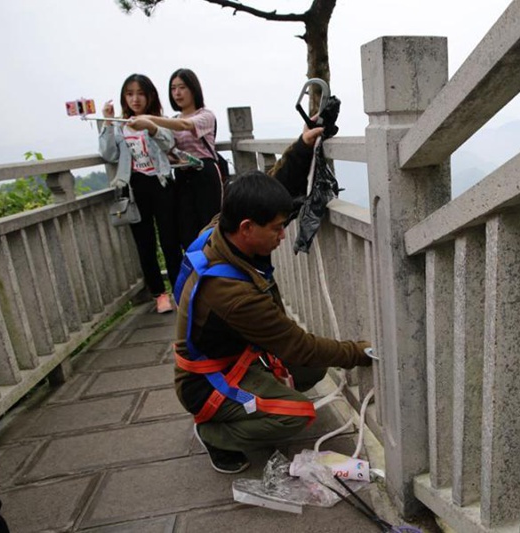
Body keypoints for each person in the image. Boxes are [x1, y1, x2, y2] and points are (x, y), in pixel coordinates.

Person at [173, 132, 373, 473]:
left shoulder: (222, 228)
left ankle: (256, 400)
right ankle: (215, 434)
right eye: (278, 229)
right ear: (248, 228)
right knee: (296, 415)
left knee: (313, 370)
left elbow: (269, 187)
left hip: (236, 356)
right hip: (207, 382)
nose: (284, 235)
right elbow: (299, 347)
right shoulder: (232, 294)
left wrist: (303, 146)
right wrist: (361, 352)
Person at [99, 74, 182, 314]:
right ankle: (159, 294)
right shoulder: (119, 125)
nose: (135, 99)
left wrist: (151, 126)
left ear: (150, 96)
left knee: (170, 240)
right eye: (130, 94)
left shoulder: (158, 121)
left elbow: (169, 144)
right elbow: (108, 154)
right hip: (134, 187)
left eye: (140, 93)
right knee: (144, 244)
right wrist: (106, 121)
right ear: (124, 97)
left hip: (162, 183)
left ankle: (179, 291)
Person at [137, 68, 223, 249]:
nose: (177, 93)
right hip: (183, 177)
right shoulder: (172, 119)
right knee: (187, 230)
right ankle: (196, 273)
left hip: (205, 174)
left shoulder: (205, 115)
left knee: (211, 227)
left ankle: (216, 270)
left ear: (193, 89)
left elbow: (185, 125)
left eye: (182, 87)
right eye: (173, 88)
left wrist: (151, 119)